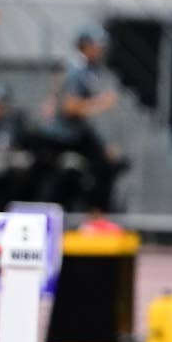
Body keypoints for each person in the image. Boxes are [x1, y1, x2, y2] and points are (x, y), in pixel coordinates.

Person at [43, 31, 125, 212]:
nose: (100, 51)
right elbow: (70, 107)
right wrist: (101, 102)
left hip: (76, 133)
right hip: (63, 136)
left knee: (107, 164)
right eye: (97, 46)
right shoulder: (76, 69)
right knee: (98, 167)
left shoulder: (87, 69)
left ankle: (96, 213)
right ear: (87, 46)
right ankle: (95, 215)